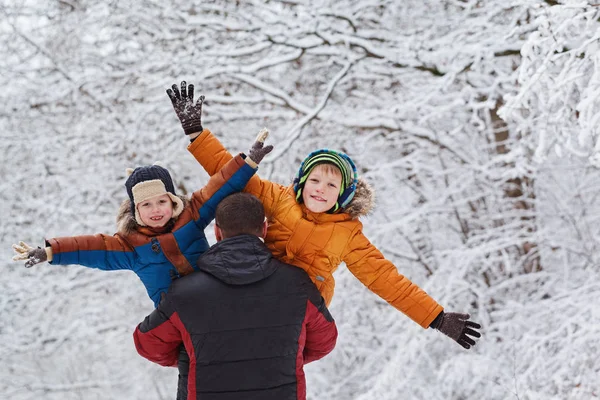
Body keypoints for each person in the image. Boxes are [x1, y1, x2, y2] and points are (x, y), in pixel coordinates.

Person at [166, 81, 482, 349]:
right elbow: (230, 174)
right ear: (302, 183)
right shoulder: (278, 199)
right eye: (314, 180)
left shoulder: (348, 234)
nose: (320, 189)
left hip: (297, 307)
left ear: (342, 194)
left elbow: (386, 280)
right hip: (256, 288)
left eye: (331, 184)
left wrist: (436, 317)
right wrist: (197, 134)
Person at [134, 192, 337, 400]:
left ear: (217, 232)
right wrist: (285, 354)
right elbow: (325, 340)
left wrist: (196, 355)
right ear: (264, 229)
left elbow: (148, 343)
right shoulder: (297, 284)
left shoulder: (185, 293)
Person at [11, 149, 268, 307]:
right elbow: (90, 248)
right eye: (146, 205)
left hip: (216, 297)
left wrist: (247, 163)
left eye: (161, 202)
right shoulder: (129, 246)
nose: (155, 210)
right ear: (135, 211)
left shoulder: (191, 218)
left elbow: (217, 188)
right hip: (177, 315)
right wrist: (51, 252)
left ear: (173, 201)